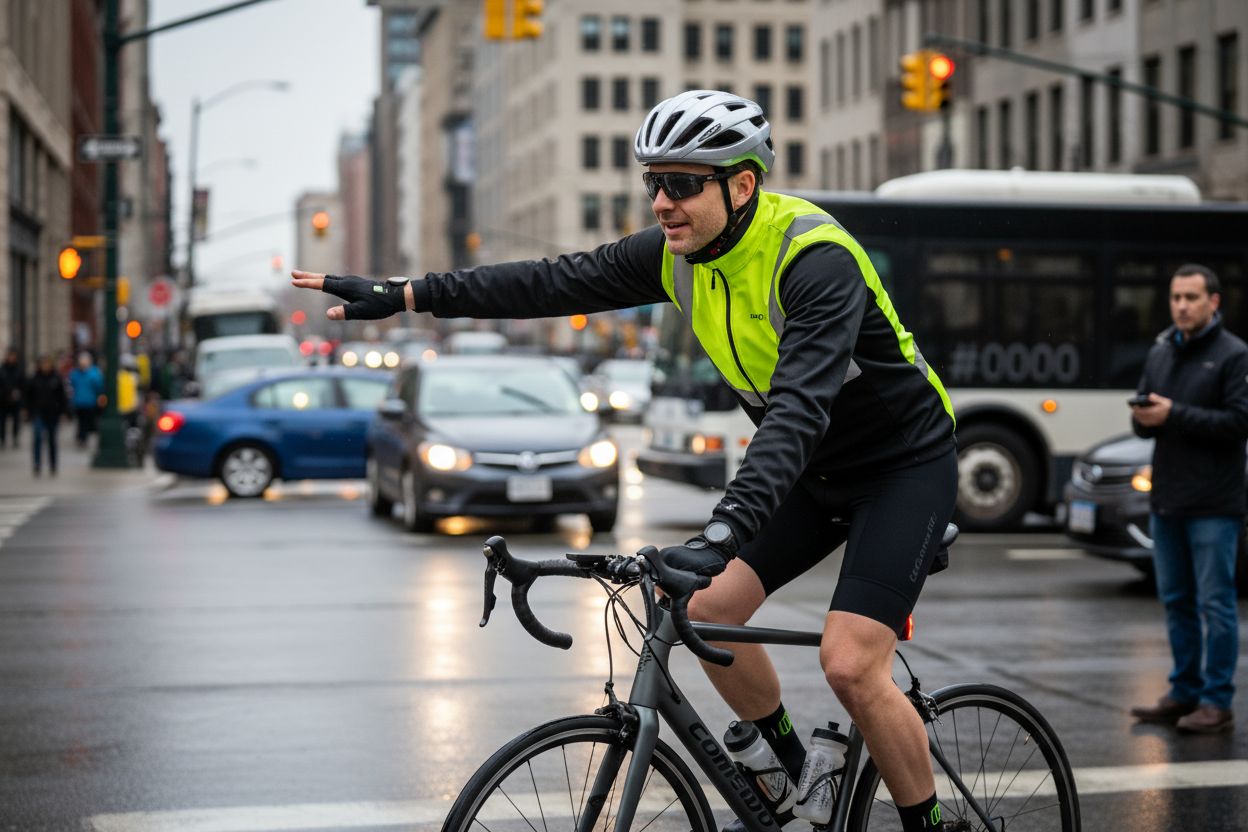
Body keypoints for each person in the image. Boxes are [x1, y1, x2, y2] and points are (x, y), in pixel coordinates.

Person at [292, 90, 958, 831]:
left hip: (901, 466)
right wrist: (406, 293)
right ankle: (798, 778)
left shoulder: (813, 259)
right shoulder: (682, 257)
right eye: (653, 182)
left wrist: (722, 531)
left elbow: (799, 410)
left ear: (742, 185)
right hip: (814, 473)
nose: (662, 201)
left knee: (850, 662)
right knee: (704, 610)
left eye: (682, 183)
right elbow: (550, 282)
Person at [1129, 263, 1248, 735]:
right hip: (1168, 499)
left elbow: (1239, 423)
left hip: (1214, 504)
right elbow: (1144, 417)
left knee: (1215, 604)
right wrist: (1145, 415)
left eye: (1191, 298)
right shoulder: (1161, 349)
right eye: (1176, 297)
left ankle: (1216, 702)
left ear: (1213, 302)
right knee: (1176, 599)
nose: (1181, 305)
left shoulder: (1234, 355)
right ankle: (1183, 691)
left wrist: (1174, 414)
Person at [25, 354, 68, 477]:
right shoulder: (34, 379)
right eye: (43, 364)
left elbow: (62, 397)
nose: (45, 366)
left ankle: (53, 464)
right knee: (38, 438)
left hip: (52, 413)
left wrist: (63, 412)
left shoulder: (56, 378)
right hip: (38, 412)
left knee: (52, 440)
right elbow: (28, 396)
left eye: (47, 363)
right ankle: (37, 464)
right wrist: (27, 410)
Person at [68, 351, 105, 449]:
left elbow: (99, 386)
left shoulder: (94, 373)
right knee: (81, 421)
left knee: (86, 421)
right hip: (78, 402)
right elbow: (71, 385)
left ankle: (82, 437)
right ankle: (81, 437)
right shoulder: (75, 373)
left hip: (90, 402)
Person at [0, 347, 25, 449]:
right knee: (2, 422)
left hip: (16, 400)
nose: (12, 358)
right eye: (10, 356)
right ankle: (2, 439)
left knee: (16, 421)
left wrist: (19, 396)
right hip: (2, 400)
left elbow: (23, 385)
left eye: (13, 356)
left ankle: (15, 438)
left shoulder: (19, 370)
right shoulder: (2, 369)